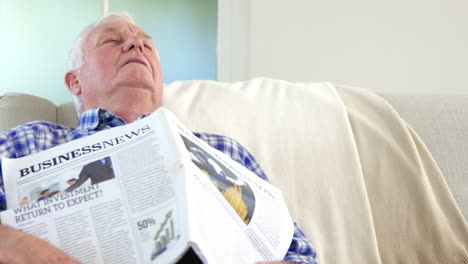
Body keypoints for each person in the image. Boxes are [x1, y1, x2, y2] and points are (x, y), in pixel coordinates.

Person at [0, 13, 317, 263]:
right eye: (112, 41)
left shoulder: (223, 151)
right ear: (75, 82)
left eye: (146, 45)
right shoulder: (29, 142)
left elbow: (300, 255)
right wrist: (14, 244)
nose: (135, 46)